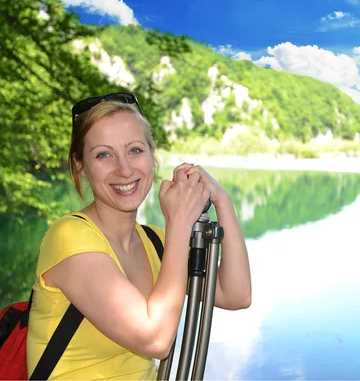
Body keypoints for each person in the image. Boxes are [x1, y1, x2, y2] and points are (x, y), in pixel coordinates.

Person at [26, 93, 252, 380]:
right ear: (80, 165)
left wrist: (222, 200)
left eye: (134, 150)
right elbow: (155, 340)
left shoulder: (156, 244)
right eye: (103, 154)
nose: (124, 169)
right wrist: (180, 223)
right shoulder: (69, 237)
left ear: (151, 154)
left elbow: (236, 294)